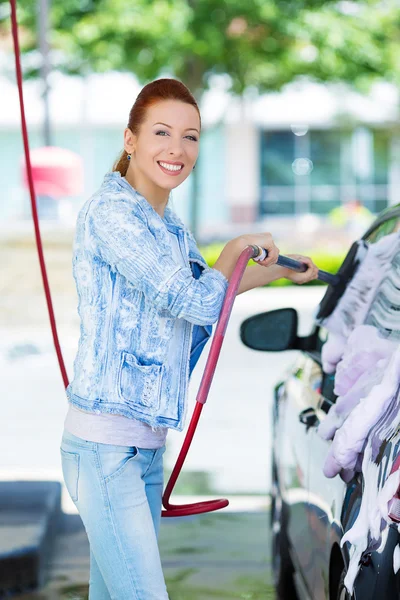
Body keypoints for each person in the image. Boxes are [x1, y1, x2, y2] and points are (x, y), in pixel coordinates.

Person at [59, 78, 318, 599]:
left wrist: (279, 272)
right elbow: (196, 299)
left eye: (191, 136)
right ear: (130, 140)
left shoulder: (167, 225)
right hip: (106, 451)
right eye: (161, 132)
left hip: (144, 449)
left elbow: (211, 290)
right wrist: (238, 245)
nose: (176, 149)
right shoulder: (113, 214)